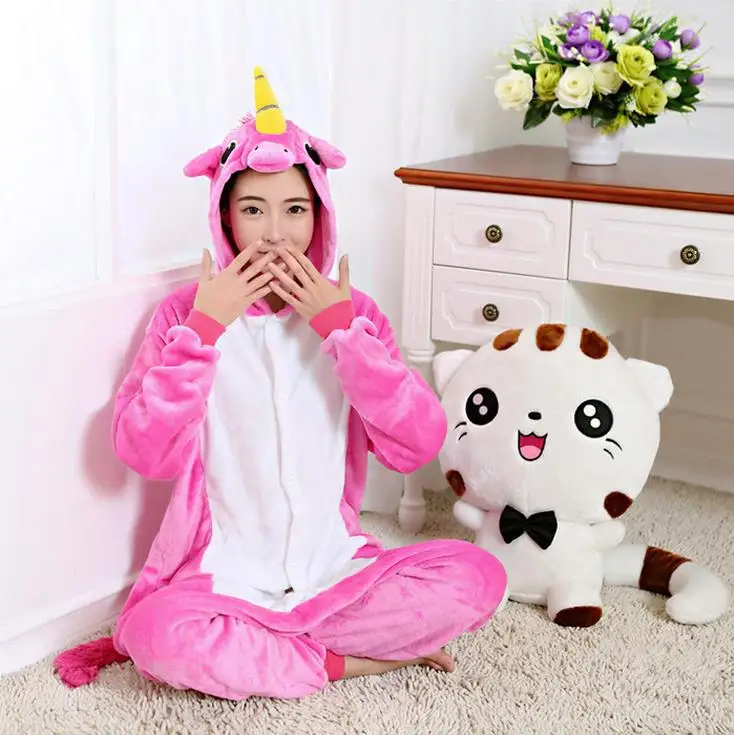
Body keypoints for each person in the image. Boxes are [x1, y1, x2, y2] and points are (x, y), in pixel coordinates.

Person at [54, 67, 507, 701]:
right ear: (225, 218)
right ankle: (346, 662)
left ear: (319, 216)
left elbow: (417, 445)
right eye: (253, 210)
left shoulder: (354, 313)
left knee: (479, 575)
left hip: (334, 564)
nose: (274, 233)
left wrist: (342, 334)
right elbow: (143, 452)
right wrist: (205, 331)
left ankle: (278, 650)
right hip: (225, 574)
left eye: (295, 209)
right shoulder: (185, 316)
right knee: (155, 635)